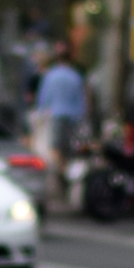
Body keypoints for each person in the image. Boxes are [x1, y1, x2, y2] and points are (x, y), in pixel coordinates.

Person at [31, 46, 86, 202]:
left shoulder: (51, 75)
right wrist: (81, 116)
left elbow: (43, 98)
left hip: (55, 114)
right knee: (69, 148)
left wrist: (40, 113)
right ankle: (66, 171)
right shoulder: (75, 76)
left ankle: (59, 172)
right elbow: (80, 99)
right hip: (73, 116)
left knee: (55, 147)